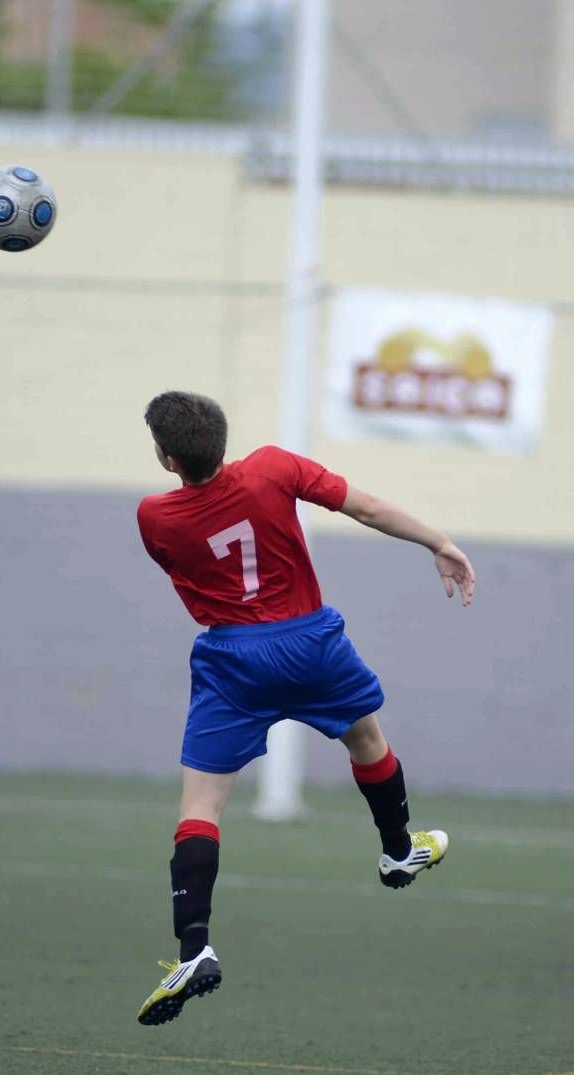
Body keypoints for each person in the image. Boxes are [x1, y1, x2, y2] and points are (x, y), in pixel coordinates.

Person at [134, 391, 476, 1028]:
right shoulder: (273, 468)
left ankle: (192, 948)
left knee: (201, 808)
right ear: (223, 439)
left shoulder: (155, 515)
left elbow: (183, 562)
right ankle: (399, 849)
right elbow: (367, 507)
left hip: (232, 657)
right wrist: (440, 542)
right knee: (368, 740)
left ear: (167, 457)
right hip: (310, 643)